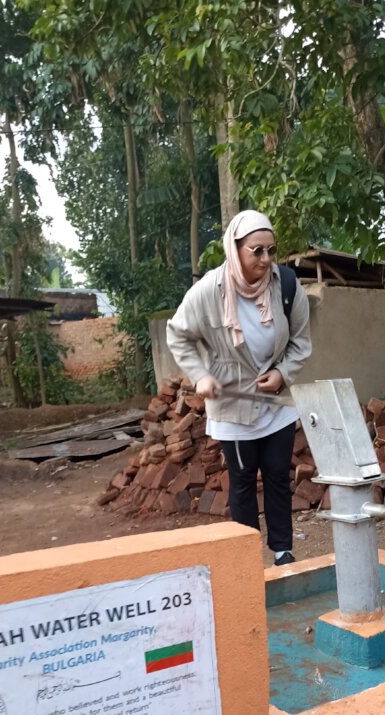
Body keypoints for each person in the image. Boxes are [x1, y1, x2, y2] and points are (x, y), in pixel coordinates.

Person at [166, 210, 312, 566]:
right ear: (235, 249)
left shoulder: (288, 286)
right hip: (233, 406)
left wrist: (281, 374)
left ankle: (282, 550)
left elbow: (301, 343)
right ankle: (245, 558)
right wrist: (200, 375)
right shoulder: (207, 292)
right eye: (256, 251)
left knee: (278, 475)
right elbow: (178, 335)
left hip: (275, 404)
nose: (265, 259)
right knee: (243, 480)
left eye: (271, 251)